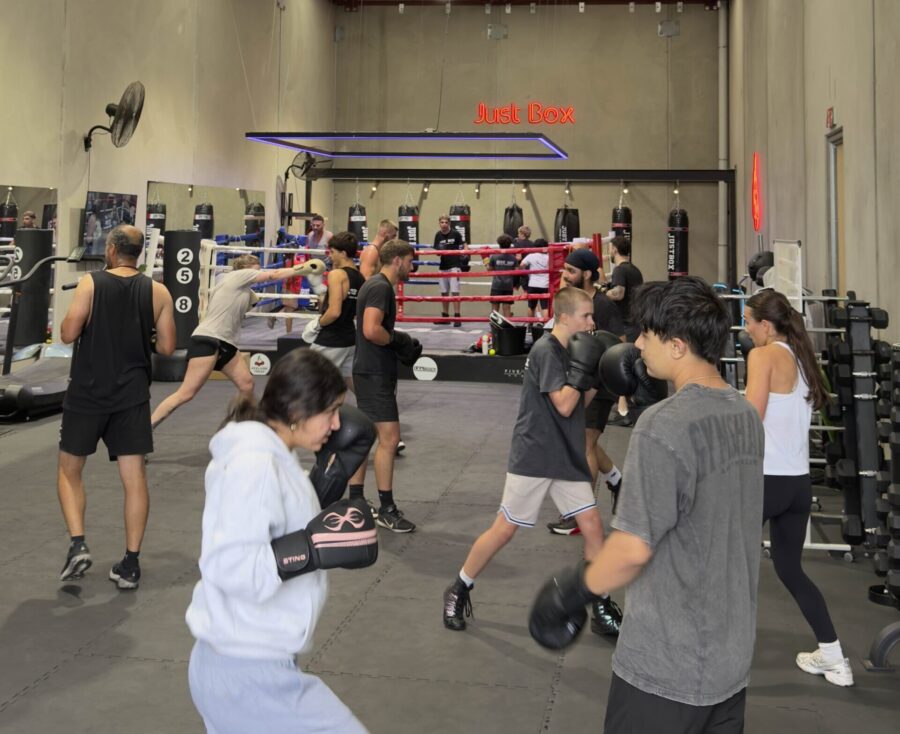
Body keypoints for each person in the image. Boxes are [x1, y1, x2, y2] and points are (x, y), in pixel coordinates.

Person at [528, 276, 765, 734]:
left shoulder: (662, 427)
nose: (636, 344)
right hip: (730, 659)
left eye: (646, 335)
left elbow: (634, 548)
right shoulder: (744, 415)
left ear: (677, 345)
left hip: (667, 665)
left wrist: (573, 591)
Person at [186, 349, 370, 734]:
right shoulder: (253, 464)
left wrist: (325, 485)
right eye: (331, 411)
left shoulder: (276, 457)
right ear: (298, 410)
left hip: (247, 664)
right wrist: (312, 548)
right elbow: (229, 566)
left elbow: (270, 527)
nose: (337, 424)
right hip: (246, 673)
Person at [443, 287, 622, 636]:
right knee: (504, 529)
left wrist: (599, 378)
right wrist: (586, 371)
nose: (592, 322)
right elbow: (564, 405)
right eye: (586, 316)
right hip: (536, 454)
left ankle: (600, 602)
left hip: (566, 454)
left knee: (593, 527)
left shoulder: (574, 349)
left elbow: (580, 404)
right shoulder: (546, 350)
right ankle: (459, 587)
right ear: (566, 316)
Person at [57, 225, 177, 589]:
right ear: (139, 253)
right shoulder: (158, 291)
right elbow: (168, 349)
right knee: (134, 478)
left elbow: (67, 333)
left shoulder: (90, 284)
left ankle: (78, 543)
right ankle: (131, 563)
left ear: (111, 249)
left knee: (69, 471)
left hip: (88, 394)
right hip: (132, 396)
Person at [744, 289, 854, 686]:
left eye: (749, 320)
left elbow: (750, 418)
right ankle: (834, 658)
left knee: (724, 564)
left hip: (763, 481)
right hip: (797, 486)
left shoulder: (762, 355)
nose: (745, 328)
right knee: (791, 570)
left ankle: (711, 653)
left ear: (766, 325)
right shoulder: (804, 358)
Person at [150, 254, 325, 429]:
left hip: (227, 344)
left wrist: (277, 314)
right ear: (244, 270)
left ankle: (246, 426)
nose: (257, 275)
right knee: (186, 394)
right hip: (209, 337)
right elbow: (274, 275)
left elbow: (256, 300)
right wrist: (303, 269)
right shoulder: (235, 276)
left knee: (247, 384)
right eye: (255, 271)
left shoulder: (247, 292)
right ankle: (146, 429)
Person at [547, 248, 626, 536]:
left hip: (597, 382)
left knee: (584, 444)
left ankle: (581, 515)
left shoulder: (602, 304)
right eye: (564, 269)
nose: (564, 275)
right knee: (582, 439)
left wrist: (607, 380)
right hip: (576, 379)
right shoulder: (573, 301)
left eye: (570, 271)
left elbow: (619, 342)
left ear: (587, 274)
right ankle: (617, 480)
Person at [348, 239, 421, 532]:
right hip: (373, 372)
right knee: (389, 440)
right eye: (410, 261)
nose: (411, 267)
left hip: (370, 370)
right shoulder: (380, 287)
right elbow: (369, 329)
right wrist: (396, 339)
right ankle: (386, 509)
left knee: (367, 438)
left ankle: (356, 502)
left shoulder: (374, 284)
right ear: (398, 260)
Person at [302, 232, 365, 393]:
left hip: (332, 338)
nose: (330, 256)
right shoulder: (360, 277)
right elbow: (352, 309)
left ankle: (307, 417)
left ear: (343, 253)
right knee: (348, 379)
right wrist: (320, 290)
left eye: (333, 252)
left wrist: (317, 324)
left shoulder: (337, 274)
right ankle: (375, 410)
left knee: (309, 379)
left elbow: (334, 312)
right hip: (350, 338)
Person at [605, 235, 644, 426]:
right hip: (635, 321)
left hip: (627, 323)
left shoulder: (620, 270)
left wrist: (603, 294)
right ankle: (627, 404)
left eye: (609, 248)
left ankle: (623, 410)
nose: (608, 252)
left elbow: (619, 293)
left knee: (623, 364)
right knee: (630, 362)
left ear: (614, 249)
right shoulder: (635, 270)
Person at [433, 214, 465, 326]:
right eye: (442, 222)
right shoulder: (438, 235)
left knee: (455, 292)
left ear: (449, 223)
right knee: (444, 293)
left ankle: (457, 317)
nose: (444, 224)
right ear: (439, 223)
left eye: (446, 222)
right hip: (443, 267)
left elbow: (464, 245)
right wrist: (440, 250)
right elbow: (436, 252)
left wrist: (465, 254)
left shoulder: (455, 234)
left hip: (454, 266)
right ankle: (445, 317)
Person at [484, 234, 518, 318]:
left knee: (495, 308)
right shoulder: (513, 258)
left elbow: (489, 269)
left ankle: (494, 327)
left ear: (499, 244)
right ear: (510, 244)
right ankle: (507, 329)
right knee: (507, 308)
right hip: (508, 285)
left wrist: (485, 260)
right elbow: (517, 271)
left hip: (496, 285)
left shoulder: (494, 256)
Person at [520, 238, 550, 321]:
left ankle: (530, 325)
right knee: (545, 307)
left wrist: (527, 273)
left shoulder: (531, 256)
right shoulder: (549, 257)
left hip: (533, 284)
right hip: (545, 285)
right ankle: (546, 326)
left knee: (531, 306)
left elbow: (521, 266)